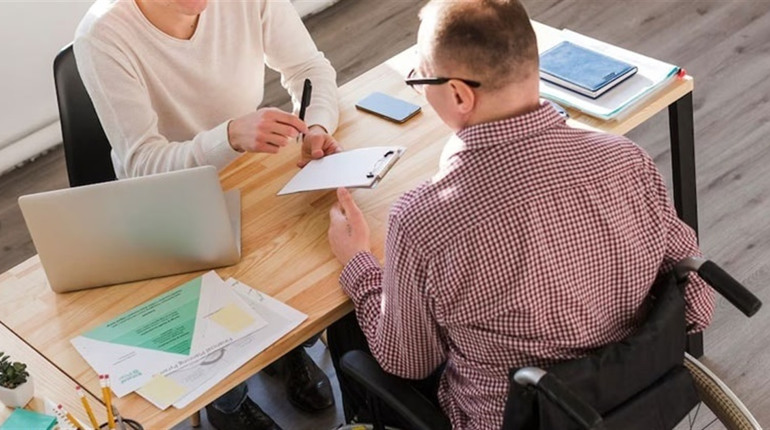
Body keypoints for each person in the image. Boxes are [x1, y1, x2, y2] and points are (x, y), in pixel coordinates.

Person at [325, 1, 716, 429]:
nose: (420, 88)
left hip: (520, 421)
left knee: (353, 329)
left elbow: (408, 361)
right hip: (640, 398)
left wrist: (358, 262)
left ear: (459, 94)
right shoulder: (626, 161)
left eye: (420, 78)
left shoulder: (422, 220)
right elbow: (697, 304)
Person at [74, 0, 339, 428]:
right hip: (168, 199)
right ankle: (228, 401)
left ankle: (287, 349)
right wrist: (228, 136)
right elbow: (143, 162)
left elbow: (309, 67)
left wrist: (317, 126)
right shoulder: (102, 35)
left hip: (248, 170)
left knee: (297, 258)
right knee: (210, 312)